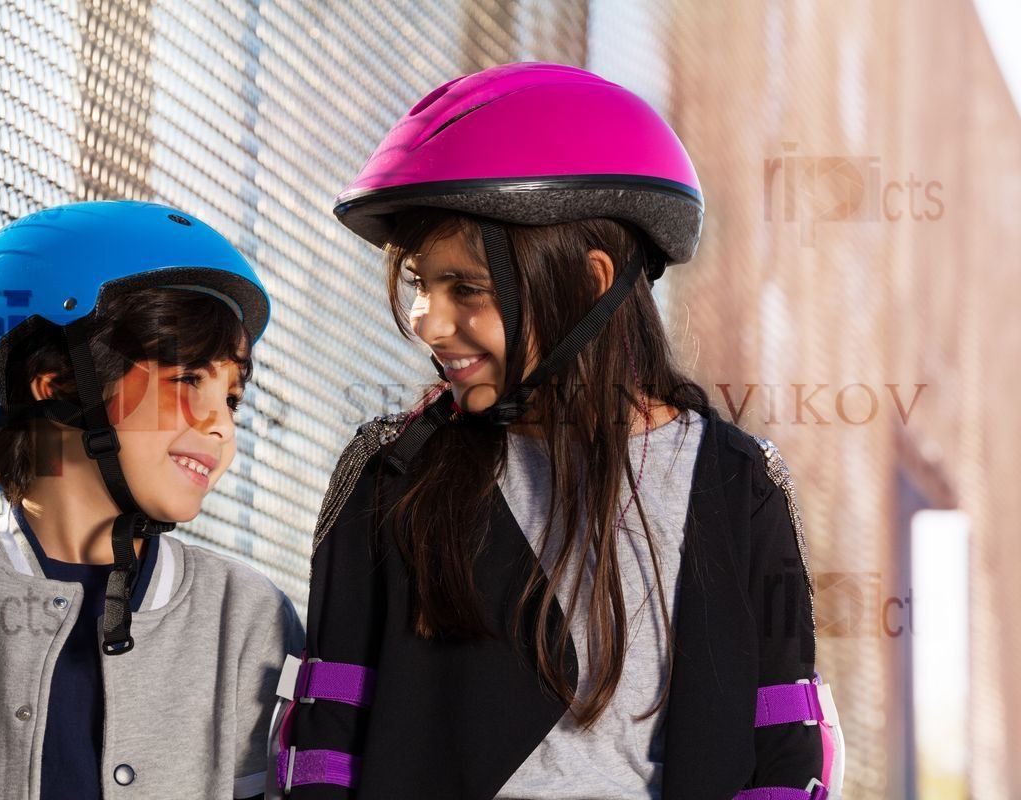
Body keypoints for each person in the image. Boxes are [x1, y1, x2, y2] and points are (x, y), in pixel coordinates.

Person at [274, 63, 844, 799]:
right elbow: (325, 744)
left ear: (592, 280)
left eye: (465, 289)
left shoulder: (738, 486)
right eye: (420, 283)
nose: (427, 322)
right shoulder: (394, 470)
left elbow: (784, 756)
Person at [0, 201, 304, 799]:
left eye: (231, 398)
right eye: (186, 380)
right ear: (58, 384)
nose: (220, 426)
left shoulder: (247, 616)